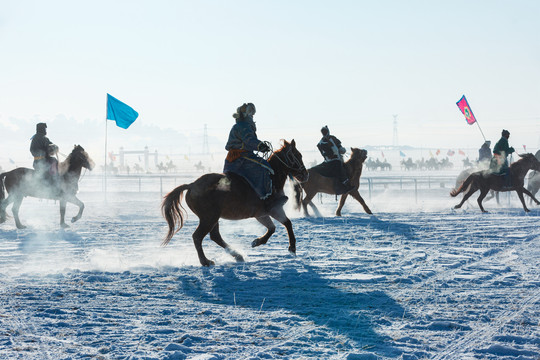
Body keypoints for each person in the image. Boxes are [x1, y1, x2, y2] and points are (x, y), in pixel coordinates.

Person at [223, 103, 287, 210]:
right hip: (242, 157)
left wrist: (259, 145)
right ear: (247, 114)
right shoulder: (244, 126)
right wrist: (260, 145)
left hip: (232, 159)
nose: (253, 116)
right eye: (252, 114)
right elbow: (249, 140)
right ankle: (267, 199)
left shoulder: (238, 125)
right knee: (265, 168)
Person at [317, 126, 354, 193]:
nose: (325, 133)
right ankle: (345, 183)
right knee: (339, 166)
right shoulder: (321, 143)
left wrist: (341, 149)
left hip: (338, 158)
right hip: (330, 160)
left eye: (325, 132)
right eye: (324, 132)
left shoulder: (333, 138)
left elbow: (339, 145)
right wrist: (333, 154)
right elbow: (325, 154)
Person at [30, 122, 60, 189]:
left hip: (41, 161)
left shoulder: (40, 138)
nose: (45, 131)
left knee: (54, 160)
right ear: (42, 129)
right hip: (41, 161)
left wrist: (54, 147)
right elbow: (33, 150)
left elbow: (50, 145)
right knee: (54, 160)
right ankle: (54, 180)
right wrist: (45, 151)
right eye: (44, 129)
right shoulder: (40, 139)